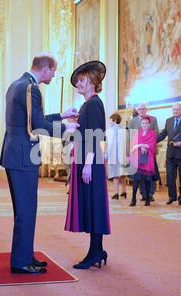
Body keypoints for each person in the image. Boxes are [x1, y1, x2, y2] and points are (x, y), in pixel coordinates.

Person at [0, 53, 79, 274]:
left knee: (24, 210)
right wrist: (67, 129)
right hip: (24, 155)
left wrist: (61, 116)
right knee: (26, 210)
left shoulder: (18, 84)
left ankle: (24, 255)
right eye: (54, 71)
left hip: (15, 152)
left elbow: (32, 119)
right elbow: (37, 125)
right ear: (45, 69)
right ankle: (21, 262)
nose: (54, 75)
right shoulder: (30, 88)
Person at [65, 60, 110, 270]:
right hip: (86, 159)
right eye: (76, 81)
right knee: (91, 205)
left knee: (94, 205)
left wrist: (88, 164)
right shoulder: (88, 105)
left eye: (81, 80)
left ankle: (95, 252)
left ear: (92, 81)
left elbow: (97, 135)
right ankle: (97, 250)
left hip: (90, 161)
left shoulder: (93, 104)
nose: (78, 84)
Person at [156, 104, 181, 205]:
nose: (175, 111)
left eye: (177, 109)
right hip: (171, 154)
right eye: (173, 110)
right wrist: (151, 140)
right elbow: (163, 134)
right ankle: (172, 197)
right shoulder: (169, 120)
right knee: (170, 177)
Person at [128, 103, 161, 201]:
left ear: (146, 110)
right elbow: (131, 136)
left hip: (149, 151)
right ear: (137, 110)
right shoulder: (133, 121)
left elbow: (156, 133)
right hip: (138, 152)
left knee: (150, 173)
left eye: (143, 109)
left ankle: (150, 193)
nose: (142, 111)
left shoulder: (153, 119)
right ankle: (143, 193)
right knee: (140, 174)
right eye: (140, 109)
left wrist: (147, 145)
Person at [105, 113, 129, 200]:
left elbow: (110, 144)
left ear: (114, 120)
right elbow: (127, 144)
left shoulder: (111, 131)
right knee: (122, 174)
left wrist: (106, 155)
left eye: (110, 121)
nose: (109, 122)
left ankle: (116, 193)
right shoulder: (124, 131)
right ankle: (124, 191)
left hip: (114, 155)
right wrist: (127, 155)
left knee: (115, 174)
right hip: (122, 155)